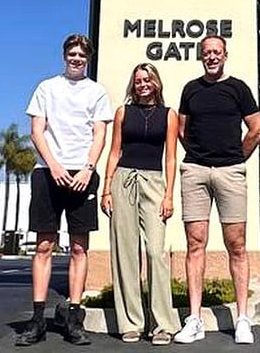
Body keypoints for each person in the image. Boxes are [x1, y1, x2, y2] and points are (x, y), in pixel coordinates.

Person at [18, 34, 114, 347]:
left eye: (81, 55)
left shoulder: (97, 92)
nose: (76, 59)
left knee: (78, 248)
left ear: (88, 58)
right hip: (48, 173)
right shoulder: (46, 88)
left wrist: (87, 169)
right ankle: (36, 321)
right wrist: (55, 166)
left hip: (82, 175)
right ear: (64, 56)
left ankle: (74, 318)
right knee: (44, 246)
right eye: (72, 54)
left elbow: (99, 134)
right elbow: (37, 131)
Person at [173, 35, 260, 345]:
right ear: (201, 57)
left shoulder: (238, 89)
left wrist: (235, 157)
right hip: (195, 171)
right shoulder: (191, 89)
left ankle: (241, 319)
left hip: (230, 171)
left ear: (225, 55)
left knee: (236, 244)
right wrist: (199, 156)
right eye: (206, 53)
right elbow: (182, 129)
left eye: (216, 52)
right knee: (195, 243)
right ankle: (194, 319)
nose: (211, 57)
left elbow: (257, 129)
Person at [101, 63, 181, 345]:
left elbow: (171, 158)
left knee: (156, 253)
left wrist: (169, 194)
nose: (143, 84)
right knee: (125, 253)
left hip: (155, 183)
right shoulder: (123, 112)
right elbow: (114, 152)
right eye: (138, 81)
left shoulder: (169, 115)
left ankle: (161, 324)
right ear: (133, 85)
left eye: (147, 79)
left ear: (156, 82)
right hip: (123, 180)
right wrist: (106, 189)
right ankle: (131, 322)